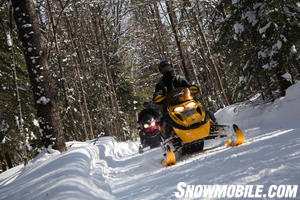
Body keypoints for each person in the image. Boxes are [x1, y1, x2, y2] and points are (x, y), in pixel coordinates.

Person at [152, 59, 191, 139]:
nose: (166, 69)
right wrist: (157, 97)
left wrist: (193, 88)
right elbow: (157, 93)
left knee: (199, 108)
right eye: (164, 68)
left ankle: (213, 125)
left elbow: (188, 86)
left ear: (171, 67)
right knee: (165, 119)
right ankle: (168, 138)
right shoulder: (160, 83)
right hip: (170, 106)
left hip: (185, 102)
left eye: (168, 67)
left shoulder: (179, 78)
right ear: (161, 70)